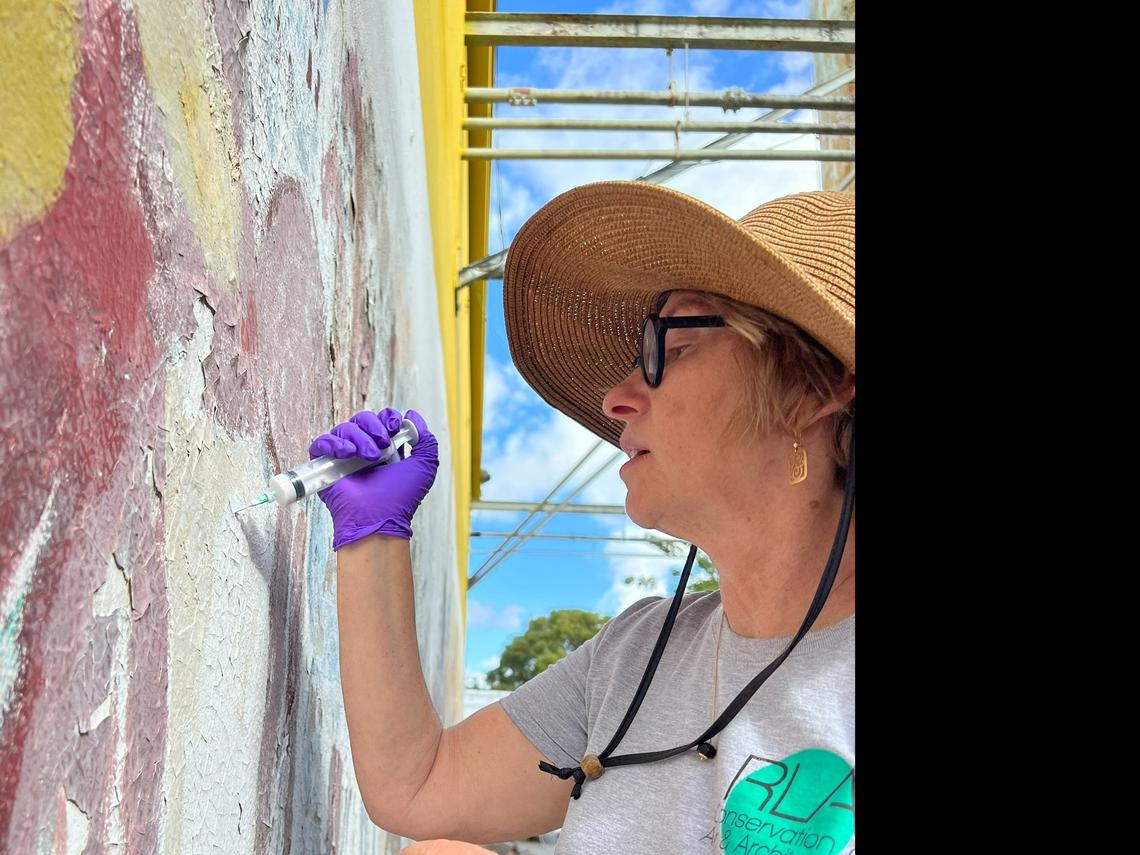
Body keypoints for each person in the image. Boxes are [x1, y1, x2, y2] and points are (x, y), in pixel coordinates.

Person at [311, 182, 855, 854]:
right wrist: (373, 537)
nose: (616, 397)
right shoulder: (639, 653)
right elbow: (420, 788)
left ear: (815, 387)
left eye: (668, 344)